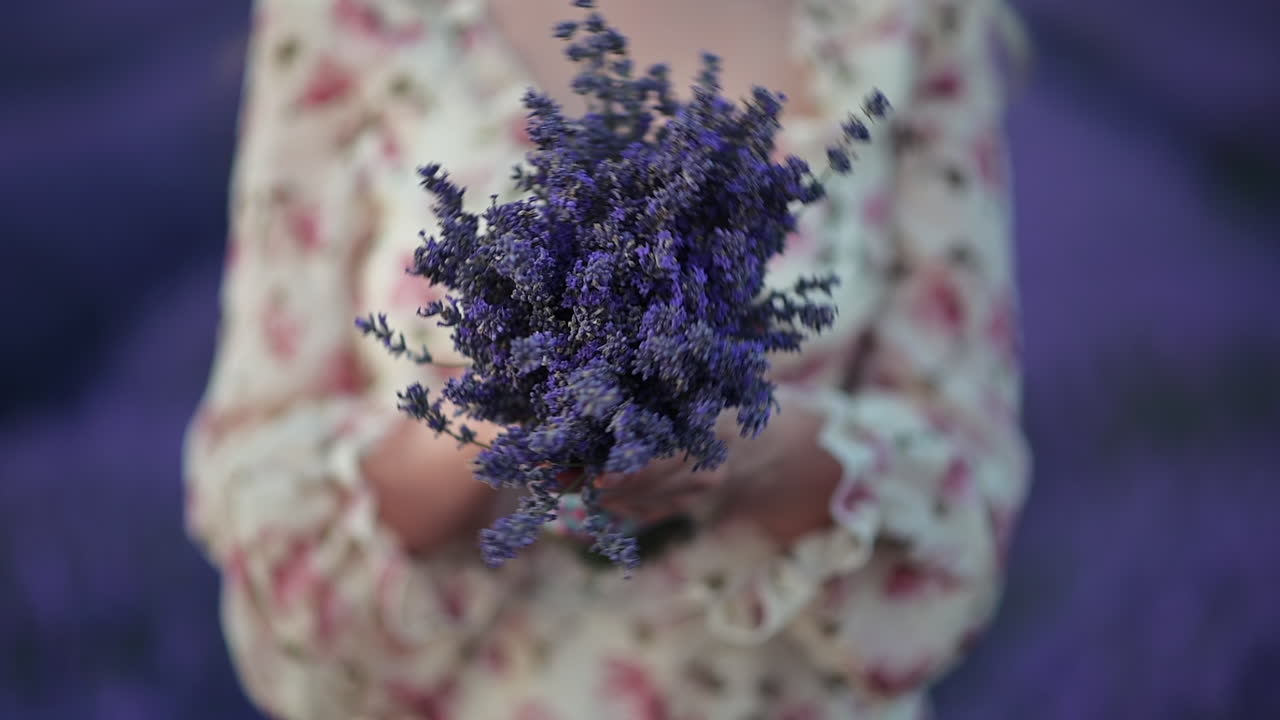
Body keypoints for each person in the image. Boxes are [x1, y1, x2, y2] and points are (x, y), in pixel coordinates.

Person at [183, 0, 1029, 717]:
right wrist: (489, 442)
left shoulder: (906, 22)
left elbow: (966, 481)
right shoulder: (352, 17)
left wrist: (756, 454)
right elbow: (256, 473)